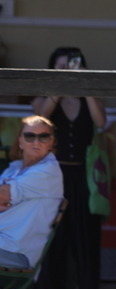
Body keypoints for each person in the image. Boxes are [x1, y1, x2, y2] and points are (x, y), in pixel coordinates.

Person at [31, 47, 110, 289]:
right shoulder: (45, 96)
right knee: (53, 243)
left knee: (87, 243)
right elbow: (41, 118)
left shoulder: (90, 96)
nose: (67, 71)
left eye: (71, 66)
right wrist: (59, 88)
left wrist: (84, 85)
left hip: (84, 178)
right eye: (60, 66)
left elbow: (101, 122)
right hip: (53, 178)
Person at [0, 116, 64, 270]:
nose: (36, 142)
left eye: (43, 137)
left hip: (15, 251)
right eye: (30, 136)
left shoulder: (47, 171)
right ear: (20, 142)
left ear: (51, 142)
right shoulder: (14, 168)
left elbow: (2, 195)